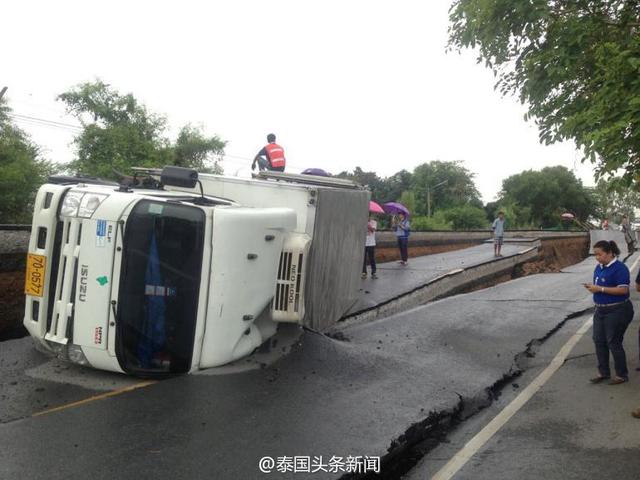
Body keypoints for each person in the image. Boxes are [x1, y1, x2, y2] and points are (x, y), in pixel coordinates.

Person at [583, 240, 633, 385]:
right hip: (601, 309)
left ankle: (621, 374)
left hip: (617, 310)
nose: (597, 257)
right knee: (599, 340)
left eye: (600, 254)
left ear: (610, 253)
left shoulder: (620, 268)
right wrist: (593, 287)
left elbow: (623, 290)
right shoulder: (599, 267)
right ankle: (603, 372)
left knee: (613, 342)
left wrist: (600, 289)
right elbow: (599, 285)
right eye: (595, 255)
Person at [362, 214, 377, 279]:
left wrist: (368, 225)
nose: (368, 217)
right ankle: (364, 272)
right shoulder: (362, 221)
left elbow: (372, 230)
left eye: (369, 216)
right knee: (363, 259)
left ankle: (373, 272)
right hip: (364, 243)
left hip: (371, 243)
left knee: (372, 258)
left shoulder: (374, 222)